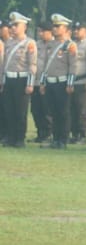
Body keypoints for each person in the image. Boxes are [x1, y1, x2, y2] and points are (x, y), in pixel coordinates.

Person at [38, 15, 77, 149]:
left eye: (57, 26)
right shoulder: (50, 44)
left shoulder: (70, 45)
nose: (54, 29)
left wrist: (70, 83)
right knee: (53, 112)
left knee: (63, 112)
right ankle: (55, 138)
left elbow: (73, 66)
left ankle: (63, 140)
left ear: (65, 28)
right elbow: (45, 65)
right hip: (50, 82)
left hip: (62, 82)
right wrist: (42, 82)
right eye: (53, 26)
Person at [3, 12, 38, 147]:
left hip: (21, 79)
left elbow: (32, 65)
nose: (13, 28)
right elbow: (4, 64)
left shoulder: (29, 43)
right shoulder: (8, 42)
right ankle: (11, 138)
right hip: (9, 79)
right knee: (9, 110)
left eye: (16, 25)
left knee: (20, 111)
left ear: (25, 26)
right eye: (11, 25)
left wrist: (30, 83)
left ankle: (19, 138)